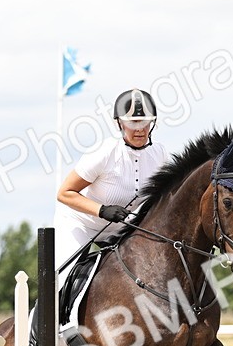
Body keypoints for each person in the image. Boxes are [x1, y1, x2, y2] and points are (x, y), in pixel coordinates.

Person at [52, 88, 169, 269]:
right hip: (81, 224)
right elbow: (65, 193)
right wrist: (102, 210)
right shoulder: (105, 152)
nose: (139, 129)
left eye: (145, 123)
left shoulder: (160, 154)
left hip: (123, 228)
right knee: (66, 274)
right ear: (120, 124)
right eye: (133, 123)